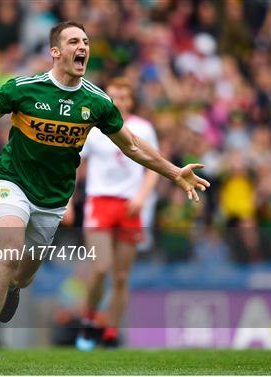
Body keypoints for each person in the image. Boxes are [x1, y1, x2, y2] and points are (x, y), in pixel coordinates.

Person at [0, 21, 210, 369]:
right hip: (12, 181)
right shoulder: (24, 88)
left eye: (85, 41)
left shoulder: (96, 102)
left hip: (52, 200)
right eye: (73, 41)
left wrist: (174, 172)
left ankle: (14, 288)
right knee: (8, 255)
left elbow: (133, 147)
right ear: (56, 51)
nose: (82, 46)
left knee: (22, 274)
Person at [73, 77, 159, 350]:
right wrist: (66, 201)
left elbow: (154, 167)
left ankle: (111, 331)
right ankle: (89, 319)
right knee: (100, 268)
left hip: (129, 205)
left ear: (130, 100)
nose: (118, 101)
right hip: (99, 202)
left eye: (123, 96)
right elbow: (76, 165)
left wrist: (142, 197)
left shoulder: (143, 128)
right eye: (113, 96)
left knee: (121, 276)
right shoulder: (93, 129)